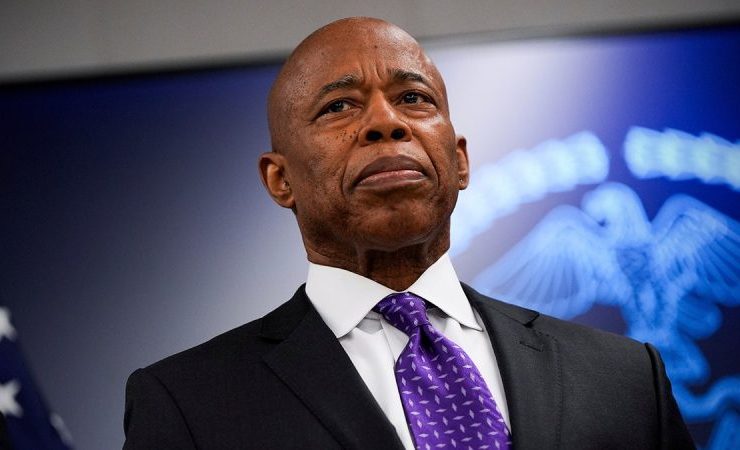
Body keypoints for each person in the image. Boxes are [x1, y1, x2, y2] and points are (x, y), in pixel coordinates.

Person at [123, 17, 695, 449]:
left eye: (413, 99)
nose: (386, 122)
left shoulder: (625, 379)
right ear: (280, 179)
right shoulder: (188, 403)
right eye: (339, 106)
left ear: (460, 160)